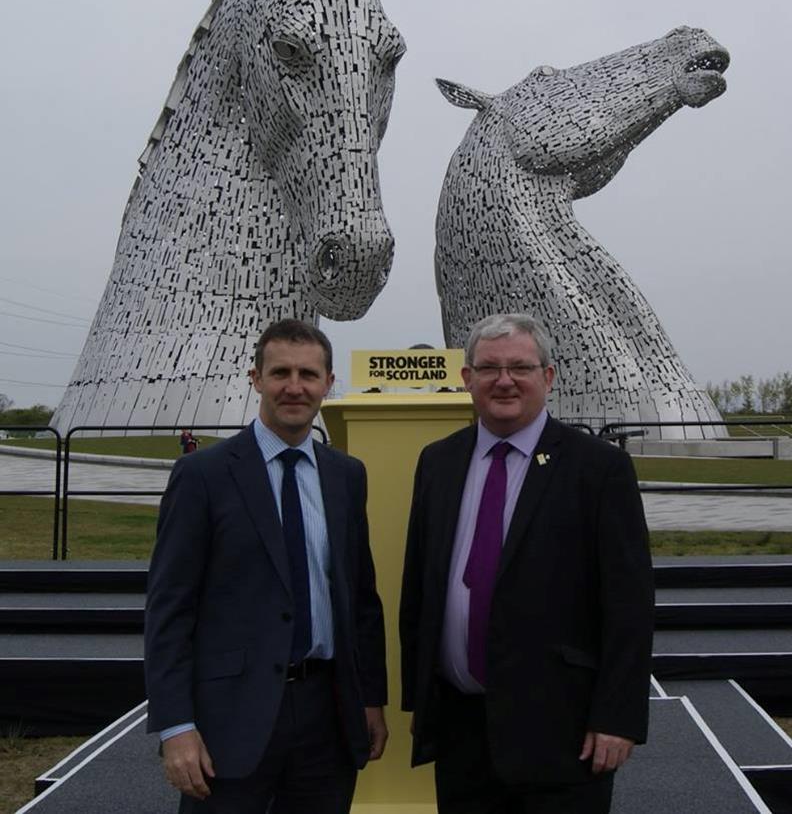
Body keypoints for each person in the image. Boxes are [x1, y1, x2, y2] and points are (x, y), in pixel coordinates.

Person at [399, 313, 654, 814]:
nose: (505, 380)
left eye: (520, 367)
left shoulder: (599, 468)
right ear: (467, 378)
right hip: (460, 729)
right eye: (489, 368)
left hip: (563, 734)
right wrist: (420, 700)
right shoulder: (438, 461)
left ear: (548, 377)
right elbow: (420, 587)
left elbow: (629, 603)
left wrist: (618, 717)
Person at [145, 319, 388, 813]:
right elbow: (169, 611)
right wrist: (176, 727)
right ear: (256, 378)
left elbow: (361, 600)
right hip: (229, 721)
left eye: (308, 374)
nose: (294, 387)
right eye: (280, 373)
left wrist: (370, 699)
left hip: (327, 717)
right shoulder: (202, 476)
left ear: (328, 382)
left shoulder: (346, 476)